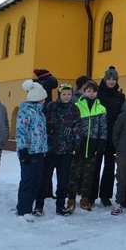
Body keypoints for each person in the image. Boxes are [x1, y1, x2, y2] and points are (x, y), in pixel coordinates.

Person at [34, 82, 82, 217]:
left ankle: (60, 205)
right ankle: (39, 205)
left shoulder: (74, 109)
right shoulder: (50, 107)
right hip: (50, 150)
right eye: (64, 94)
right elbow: (41, 125)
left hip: (66, 151)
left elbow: (77, 128)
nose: (66, 97)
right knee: (45, 179)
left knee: (63, 180)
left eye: (69, 94)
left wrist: (76, 145)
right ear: (59, 94)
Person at [66, 80, 107, 213]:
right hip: (79, 144)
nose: (91, 93)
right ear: (84, 91)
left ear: (96, 93)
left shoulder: (101, 108)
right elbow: (73, 126)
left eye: (93, 91)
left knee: (89, 174)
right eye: (88, 91)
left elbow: (103, 128)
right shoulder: (77, 105)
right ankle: (71, 198)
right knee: (74, 174)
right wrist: (73, 142)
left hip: (93, 144)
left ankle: (85, 198)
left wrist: (101, 143)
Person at [91, 67, 125, 208]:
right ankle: (91, 195)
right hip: (98, 136)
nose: (111, 81)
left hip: (112, 137)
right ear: (105, 80)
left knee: (109, 167)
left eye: (114, 79)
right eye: (109, 79)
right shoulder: (98, 94)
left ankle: (105, 196)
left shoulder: (120, 96)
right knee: (95, 166)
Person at [16, 80, 48, 221]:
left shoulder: (40, 112)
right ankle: (24, 209)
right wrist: (23, 150)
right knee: (27, 180)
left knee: (37, 180)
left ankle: (30, 205)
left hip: (39, 151)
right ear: (38, 98)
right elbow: (20, 132)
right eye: (43, 97)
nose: (45, 100)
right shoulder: (25, 111)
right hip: (28, 152)